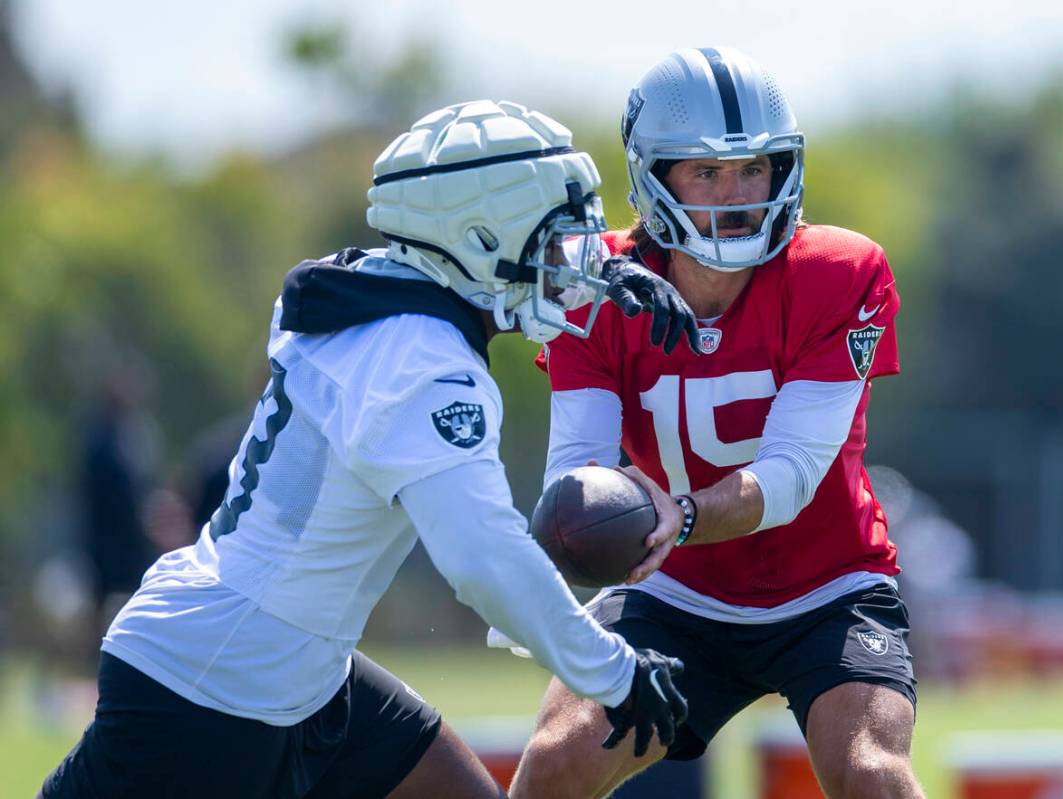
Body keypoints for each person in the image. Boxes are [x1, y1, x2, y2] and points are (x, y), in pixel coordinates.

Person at [41, 100, 693, 799]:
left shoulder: (372, 290)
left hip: (295, 668)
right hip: (210, 690)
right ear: (477, 235)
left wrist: (607, 275)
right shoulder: (423, 360)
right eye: (555, 240)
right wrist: (614, 673)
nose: (576, 260)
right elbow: (484, 560)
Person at [510, 48, 925, 798]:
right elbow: (577, 469)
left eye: (753, 168)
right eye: (704, 172)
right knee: (555, 760)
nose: (735, 194)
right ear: (652, 176)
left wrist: (681, 513)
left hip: (826, 584)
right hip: (670, 594)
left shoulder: (839, 271)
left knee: (872, 771)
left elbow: (791, 475)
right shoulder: (592, 285)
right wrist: (593, 527)